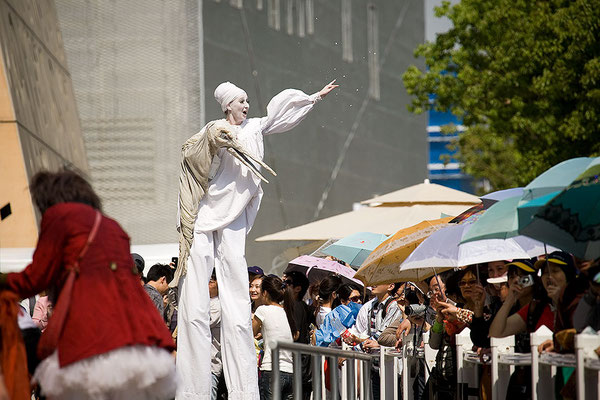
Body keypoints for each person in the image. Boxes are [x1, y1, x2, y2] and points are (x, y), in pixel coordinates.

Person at [175, 80, 337, 400]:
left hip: (235, 214)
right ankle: (191, 388)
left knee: (236, 282)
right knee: (194, 290)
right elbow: (194, 149)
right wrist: (213, 140)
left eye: (247, 101)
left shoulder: (255, 127)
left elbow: (281, 112)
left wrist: (312, 97)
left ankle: (243, 390)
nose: (246, 106)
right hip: (210, 211)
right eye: (241, 102)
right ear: (228, 107)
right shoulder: (216, 128)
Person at [0, 170, 176, 399]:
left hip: (91, 341)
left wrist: (4, 281)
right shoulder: (113, 226)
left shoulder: (60, 217)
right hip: (140, 345)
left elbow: (37, 276)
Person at [252, 275, 298, 400]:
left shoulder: (262, 310)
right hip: (290, 372)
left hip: (272, 369)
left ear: (265, 293)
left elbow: (251, 332)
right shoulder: (286, 311)